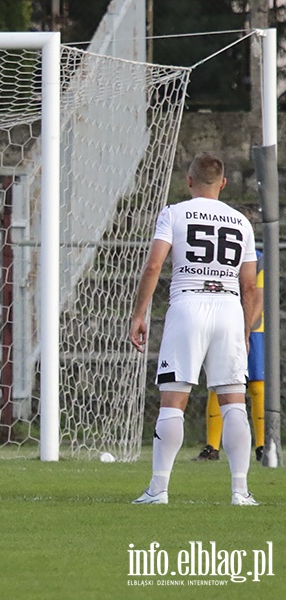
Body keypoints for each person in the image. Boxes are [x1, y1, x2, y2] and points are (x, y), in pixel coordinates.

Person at [128, 152, 258, 506]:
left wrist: (139, 314)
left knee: (174, 400)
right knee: (234, 401)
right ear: (223, 183)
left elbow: (155, 264)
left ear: (188, 181)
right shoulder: (241, 222)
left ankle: (158, 489)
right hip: (229, 307)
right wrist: (245, 330)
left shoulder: (174, 213)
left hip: (188, 303)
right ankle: (240, 491)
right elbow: (250, 286)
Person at [194, 248, 265, 463]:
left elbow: (258, 296)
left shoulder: (258, 258)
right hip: (224, 324)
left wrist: (244, 329)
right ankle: (212, 447)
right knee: (219, 380)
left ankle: (262, 446)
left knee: (256, 384)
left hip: (252, 328)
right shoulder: (215, 254)